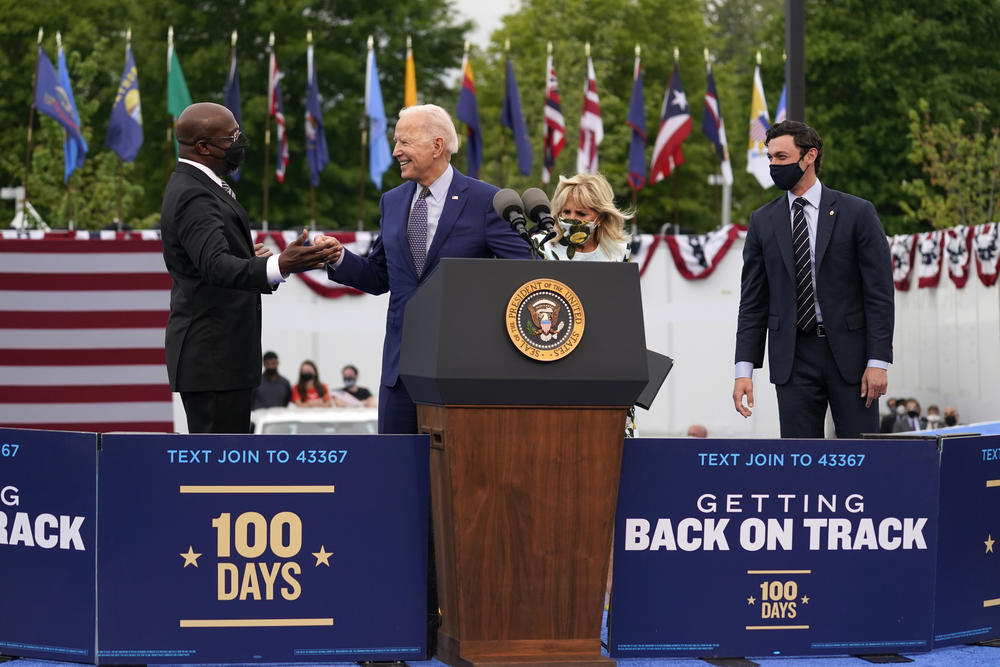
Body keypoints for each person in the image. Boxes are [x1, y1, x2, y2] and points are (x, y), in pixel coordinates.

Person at [315, 103, 532, 434]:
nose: (395, 151)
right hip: (400, 374)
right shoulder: (392, 201)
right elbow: (380, 276)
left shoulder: (487, 201)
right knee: (395, 474)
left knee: (455, 478)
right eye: (396, 141)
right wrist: (337, 257)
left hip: (462, 372)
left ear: (437, 145)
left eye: (404, 142)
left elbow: (524, 273)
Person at [161, 102, 337, 433]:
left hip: (222, 361)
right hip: (214, 360)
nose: (239, 142)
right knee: (220, 476)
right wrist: (279, 265)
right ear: (203, 146)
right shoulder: (194, 194)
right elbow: (214, 266)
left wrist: (245, 257)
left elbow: (209, 260)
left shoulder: (201, 185)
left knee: (229, 473)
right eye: (232, 136)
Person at [732, 120, 894, 438]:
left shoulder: (857, 213)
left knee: (861, 459)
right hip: (792, 360)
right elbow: (752, 302)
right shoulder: (762, 221)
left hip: (852, 358)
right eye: (770, 158)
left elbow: (879, 294)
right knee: (800, 465)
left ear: (809, 156)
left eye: (781, 157)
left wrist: (878, 361)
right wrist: (743, 370)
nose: (773, 165)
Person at [541, 173, 631, 262]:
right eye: (566, 212)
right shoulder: (542, 245)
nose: (571, 218)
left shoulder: (620, 251)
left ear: (600, 218)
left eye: (581, 214)